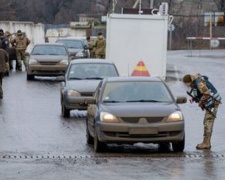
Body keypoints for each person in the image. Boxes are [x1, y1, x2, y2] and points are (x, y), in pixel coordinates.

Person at [183, 74, 222, 150]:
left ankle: (206, 143)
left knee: (208, 122)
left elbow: (206, 93)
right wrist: (194, 98)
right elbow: (199, 92)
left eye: (188, 84)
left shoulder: (199, 82)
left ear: (190, 82)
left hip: (213, 103)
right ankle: (207, 142)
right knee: (207, 122)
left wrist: (200, 102)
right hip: (212, 102)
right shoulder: (197, 81)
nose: (188, 86)